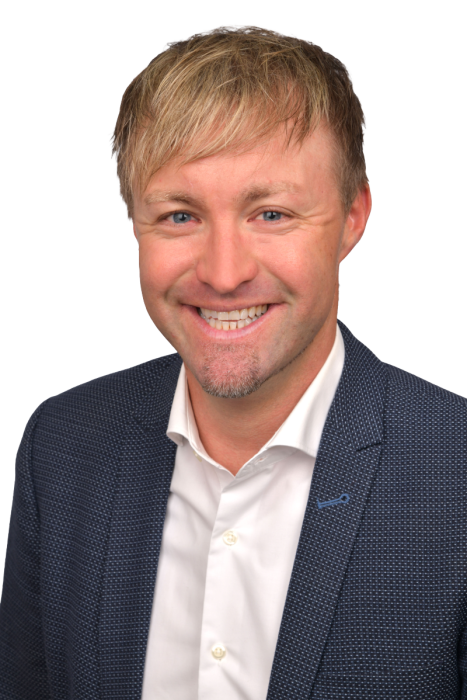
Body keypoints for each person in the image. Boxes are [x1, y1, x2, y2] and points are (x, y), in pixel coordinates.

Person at [0, 24, 466, 700]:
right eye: (180, 216)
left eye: (271, 214)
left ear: (351, 217)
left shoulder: (456, 471)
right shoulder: (63, 446)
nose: (223, 274)